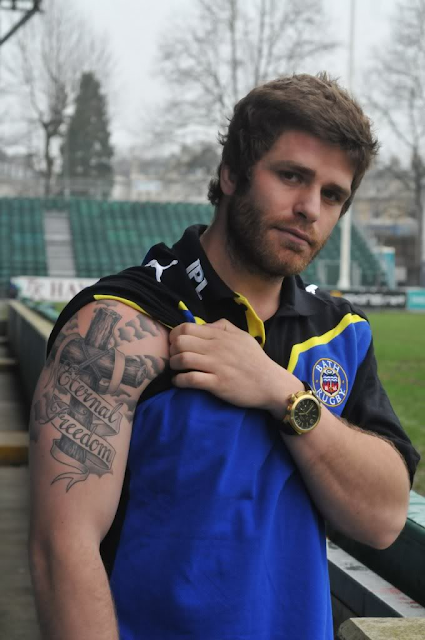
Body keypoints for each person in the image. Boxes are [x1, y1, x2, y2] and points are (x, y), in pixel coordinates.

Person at [28, 72, 420, 640]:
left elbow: (383, 519)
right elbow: (60, 550)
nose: (310, 208)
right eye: (291, 176)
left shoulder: (341, 332)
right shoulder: (121, 323)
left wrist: (283, 393)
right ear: (231, 172)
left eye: (333, 195)